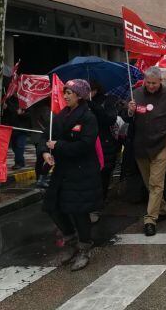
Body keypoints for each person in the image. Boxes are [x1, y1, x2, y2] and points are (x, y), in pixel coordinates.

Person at [38, 79, 100, 271]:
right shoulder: (60, 115)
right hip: (61, 171)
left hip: (81, 172)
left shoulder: (88, 117)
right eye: (64, 92)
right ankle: (70, 240)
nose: (65, 96)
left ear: (79, 96)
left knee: (79, 211)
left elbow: (85, 145)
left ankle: (84, 248)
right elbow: (44, 137)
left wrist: (59, 146)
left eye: (69, 93)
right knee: (52, 206)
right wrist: (45, 151)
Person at [126, 66, 166, 237]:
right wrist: (130, 110)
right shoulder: (136, 94)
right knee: (149, 183)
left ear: (160, 81)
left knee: (156, 183)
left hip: (162, 144)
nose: (151, 86)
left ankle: (150, 219)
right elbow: (126, 118)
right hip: (141, 145)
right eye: (148, 83)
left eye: (154, 83)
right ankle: (161, 208)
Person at [88, 81, 122, 220]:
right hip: (87, 144)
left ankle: (97, 206)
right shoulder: (80, 103)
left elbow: (110, 119)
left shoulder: (108, 101)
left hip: (104, 144)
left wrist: (94, 107)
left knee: (103, 176)